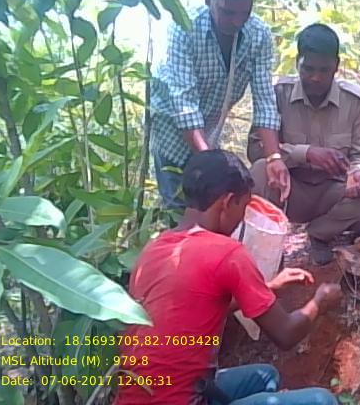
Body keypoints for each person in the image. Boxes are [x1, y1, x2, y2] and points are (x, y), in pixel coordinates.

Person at [115, 149, 340, 405]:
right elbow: (285, 334)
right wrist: (320, 302)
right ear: (228, 201)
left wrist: (269, 287)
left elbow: (196, 305)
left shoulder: (155, 249)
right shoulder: (227, 252)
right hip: (182, 399)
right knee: (322, 400)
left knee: (265, 376)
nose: (241, 218)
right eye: (243, 207)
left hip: (139, 396)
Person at [150, 0, 289, 209]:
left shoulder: (258, 35)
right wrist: (212, 163)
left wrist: (274, 157)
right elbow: (185, 107)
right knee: (179, 209)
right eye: (228, 12)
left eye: (245, 12)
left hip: (209, 131)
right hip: (171, 133)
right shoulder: (184, 28)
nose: (237, 22)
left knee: (214, 209)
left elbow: (264, 101)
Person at [248, 24, 360, 265]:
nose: (316, 77)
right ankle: (267, 249)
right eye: (308, 69)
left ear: (336, 66)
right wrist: (304, 154)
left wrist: (358, 173)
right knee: (259, 172)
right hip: (289, 189)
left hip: (333, 192)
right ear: (298, 63)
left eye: (324, 70)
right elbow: (255, 149)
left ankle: (319, 234)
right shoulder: (278, 95)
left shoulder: (354, 102)